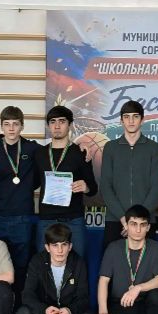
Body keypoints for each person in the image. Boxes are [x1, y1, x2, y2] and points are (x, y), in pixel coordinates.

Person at [0, 106, 42, 314]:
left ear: (22, 126)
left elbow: (51, 160)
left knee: (21, 267)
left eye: (15, 124)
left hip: (23, 217)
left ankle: (16, 313)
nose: (11, 128)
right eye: (7, 124)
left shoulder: (33, 149)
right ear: (1, 126)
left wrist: (83, 151)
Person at [96, 205, 158, 314]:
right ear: (126, 226)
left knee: (157, 296)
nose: (138, 229)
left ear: (148, 227)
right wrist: (103, 312)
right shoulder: (113, 247)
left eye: (142, 225)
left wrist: (138, 288)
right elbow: (103, 281)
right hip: (121, 303)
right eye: (133, 224)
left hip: (144, 305)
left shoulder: (157, 247)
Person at [15, 223, 93, 314]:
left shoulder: (78, 262)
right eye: (55, 245)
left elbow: (84, 297)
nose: (60, 250)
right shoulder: (37, 261)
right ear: (47, 247)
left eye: (64, 245)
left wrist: (70, 310)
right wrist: (45, 310)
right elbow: (27, 294)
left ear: (70, 246)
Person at [34, 106, 98, 257]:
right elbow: (33, 183)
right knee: (43, 263)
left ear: (70, 124)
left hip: (73, 219)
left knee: (78, 263)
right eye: (53, 122)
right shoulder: (39, 153)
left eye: (62, 121)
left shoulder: (81, 152)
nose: (57, 126)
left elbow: (93, 188)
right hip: (46, 219)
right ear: (48, 125)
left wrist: (86, 187)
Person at [100, 100, 158, 248]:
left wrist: (137, 222)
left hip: (145, 221)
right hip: (116, 220)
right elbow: (105, 186)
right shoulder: (110, 147)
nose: (131, 121)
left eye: (135, 116)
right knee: (112, 262)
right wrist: (124, 220)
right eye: (127, 117)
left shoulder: (153, 148)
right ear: (121, 121)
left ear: (142, 120)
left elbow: (157, 188)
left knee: (147, 262)